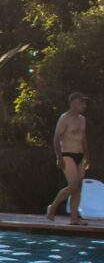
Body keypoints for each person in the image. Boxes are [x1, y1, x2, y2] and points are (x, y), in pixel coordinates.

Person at [47, 92, 92, 225]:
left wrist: (87, 156)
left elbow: (83, 139)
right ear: (72, 103)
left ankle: (74, 218)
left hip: (80, 155)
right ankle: (53, 206)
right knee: (73, 185)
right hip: (67, 154)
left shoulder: (82, 119)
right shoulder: (64, 118)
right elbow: (56, 138)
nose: (84, 105)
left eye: (85, 102)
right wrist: (59, 157)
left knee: (78, 188)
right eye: (81, 102)